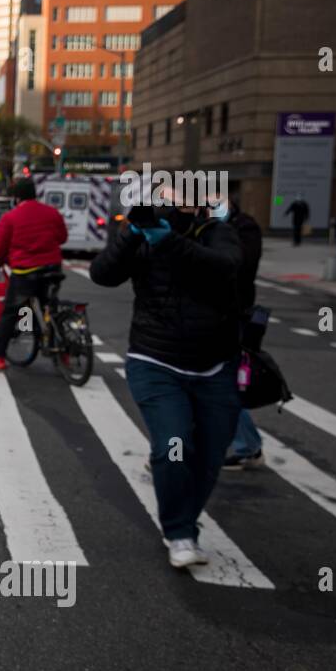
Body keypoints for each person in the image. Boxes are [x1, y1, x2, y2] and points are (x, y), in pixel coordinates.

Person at [91, 187, 243, 569]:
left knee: (209, 457)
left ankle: (183, 518)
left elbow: (225, 267)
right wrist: (133, 233)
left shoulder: (217, 231)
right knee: (173, 445)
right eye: (166, 201)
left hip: (215, 366)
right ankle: (180, 532)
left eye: (181, 200)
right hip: (155, 361)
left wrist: (167, 240)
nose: (173, 207)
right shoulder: (142, 234)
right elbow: (102, 274)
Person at [0, 177, 68, 371]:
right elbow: (62, 238)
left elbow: (1, 248)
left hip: (25, 273)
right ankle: (62, 352)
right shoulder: (52, 213)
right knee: (51, 308)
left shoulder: (11, 218)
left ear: (16, 197)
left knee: (10, 313)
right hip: (53, 269)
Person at [216, 195, 265, 471]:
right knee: (214, 380)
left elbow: (244, 266)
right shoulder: (206, 225)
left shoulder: (245, 227)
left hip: (237, 315)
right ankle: (248, 446)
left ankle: (247, 447)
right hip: (210, 314)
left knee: (224, 381)